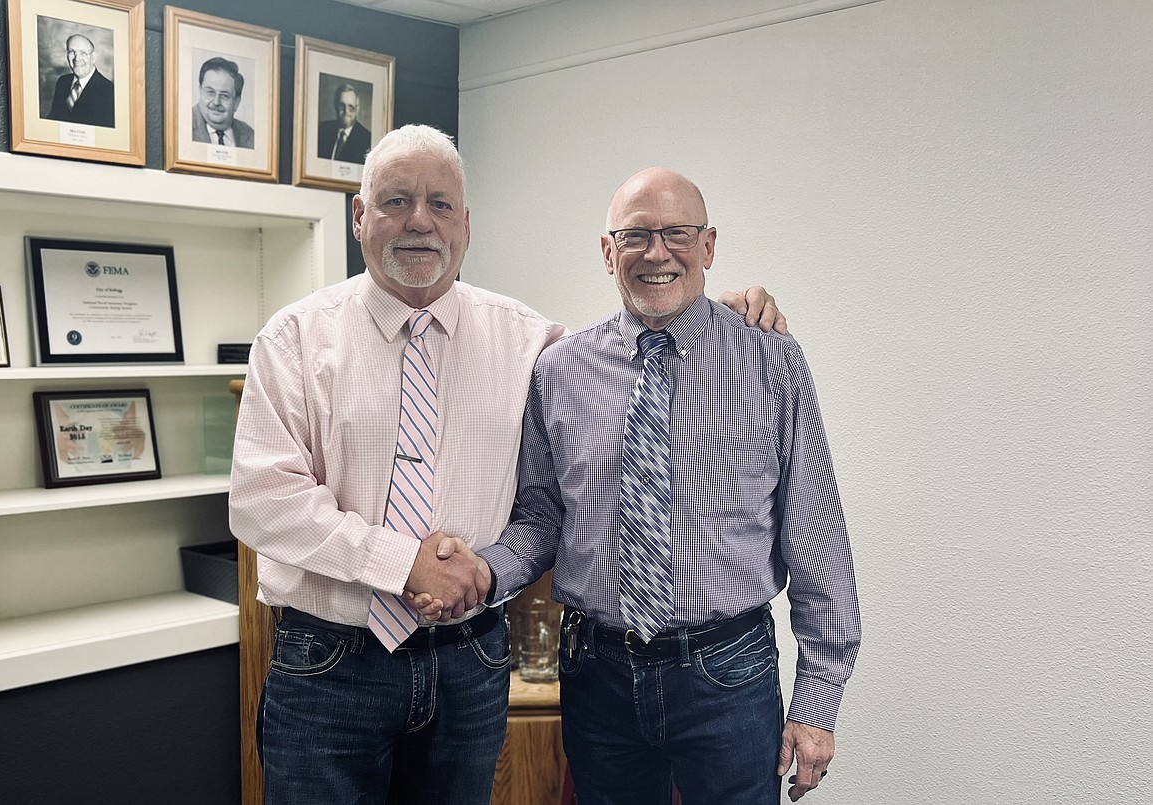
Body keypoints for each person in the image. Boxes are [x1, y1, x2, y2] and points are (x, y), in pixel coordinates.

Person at [228, 126, 784, 804]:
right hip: (329, 663)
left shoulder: (531, 342)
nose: (419, 221)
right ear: (359, 216)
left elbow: (630, 357)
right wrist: (398, 562)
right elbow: (262, 498)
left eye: (440, 204)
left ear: (465, 225)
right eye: (397, 201)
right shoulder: (292, 338)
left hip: (472, 662)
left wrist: (717, 316)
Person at [424, 166, 861, 804]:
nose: (657, 253)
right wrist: (482, 572)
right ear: (608, 253)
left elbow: (814, 527)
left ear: (709, 247)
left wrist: (818, 700)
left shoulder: (770, 359)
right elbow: (543, 521)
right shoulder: (560, 370)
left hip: (728, 673)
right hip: (596, 676)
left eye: (677, 234)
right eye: (635, 237)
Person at [46, 34, 115, 128]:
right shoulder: (62, 82)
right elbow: (53, 119)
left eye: (83, 53)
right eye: (72, 52)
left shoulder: (109, 91)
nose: (76, 59)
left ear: (93, 57)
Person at [191, 57, 254, 148]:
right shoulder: (182, 125)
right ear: (200, 91)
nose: (216, 102)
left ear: (237, 102)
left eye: (224, 96)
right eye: (210, 92)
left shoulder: (251, 136)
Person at [317, 82, 373, 163]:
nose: (346, 111)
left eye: (351, 107)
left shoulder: (367, 139)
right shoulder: (323, 129)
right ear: (336, 106)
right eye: (341, 105)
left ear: (357, 109)